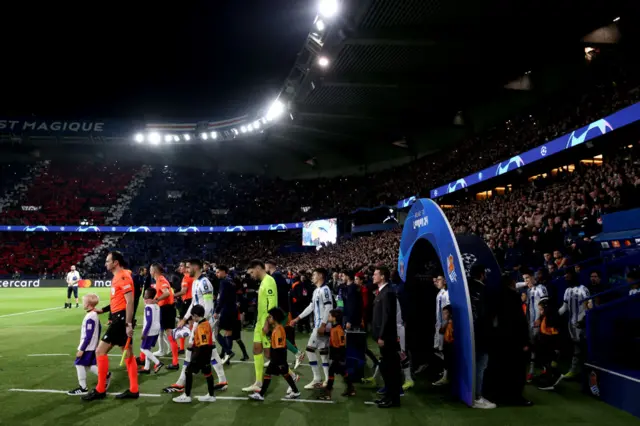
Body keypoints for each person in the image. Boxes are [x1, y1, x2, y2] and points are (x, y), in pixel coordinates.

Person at [164, 259, 228, 393]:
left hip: (204, 325)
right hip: (200, 323)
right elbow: (194, 303)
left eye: (188, 267)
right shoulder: (196, 282)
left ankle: (181, 383)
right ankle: (222, 381)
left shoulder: (205, 283)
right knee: (212, 353)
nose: (186, 270)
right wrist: (185, 318)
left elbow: (209, 306)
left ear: (195, 267)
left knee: (190, 351)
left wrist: (202, 323)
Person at [83, 251, 139, 401]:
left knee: (100, 351)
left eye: (108, 261)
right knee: (128, 355)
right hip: (118, 317)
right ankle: (134, 389)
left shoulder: (123, 276)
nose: (105, 263)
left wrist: (128, 323)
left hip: (121, 320)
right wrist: (104, 310)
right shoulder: (118, 277)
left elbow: (130, 302)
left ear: (115, 262)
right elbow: (118, 301)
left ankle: (100, 389)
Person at [290, 268, 333, 389]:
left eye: (314, 275)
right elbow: (311, 307)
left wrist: (323, 325)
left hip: (321, 325)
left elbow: (329, 306)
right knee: (324, 353)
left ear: (320, 276)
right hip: (321, 325)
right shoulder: (316, 291)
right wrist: (297, 318)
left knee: (309, 350)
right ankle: (326, 380)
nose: (312, 277)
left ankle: (317, 379)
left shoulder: (325, 289)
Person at [248, 308, 301, 401]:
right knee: (285, 374)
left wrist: (278, 361)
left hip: (278, 358)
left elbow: (279, 347)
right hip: (279, 358)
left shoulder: (278, 330)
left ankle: (261, 394)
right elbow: (268, 333)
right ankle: (295, 391)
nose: (269, 318)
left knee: (269, 374)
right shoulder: (277, 328)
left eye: (270, 317)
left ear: (275, 318)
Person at [242, 260, 279, 393]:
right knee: (256, 349)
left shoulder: (269, 281)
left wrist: (268, 323)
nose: (251, 275)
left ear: (258, 268)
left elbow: (272, 304)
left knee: (270, 355)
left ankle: (291, 375)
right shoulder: (263, 282)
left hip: (266, 323)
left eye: (252, 272)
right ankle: (258, 382)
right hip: (260, 322)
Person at [172, 304, 217, 403]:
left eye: (192, 316)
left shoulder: (201, 326)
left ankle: (187, 396)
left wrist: (195, 355)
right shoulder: (206, 323)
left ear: (196, 315)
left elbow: (203, 343)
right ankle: (211, 395)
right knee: (208, 373)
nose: (192, 318)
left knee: (188, 371)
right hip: (207, 352)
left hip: (202, 353)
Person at [370, 266, 401, 408]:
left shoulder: (387, 293)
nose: (373, 276)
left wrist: (381, 335)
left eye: (375, 274)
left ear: (382, 276)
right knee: (386, 368)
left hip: (387, 338)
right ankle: (388, 396)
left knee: (390, 369)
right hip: (383, 337)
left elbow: (387, 317)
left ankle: (392, 399)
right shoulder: (383, 292)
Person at [265, 260, 305, 369]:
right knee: (274, 334)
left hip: (280, 311)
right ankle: (274, 359)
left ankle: (297, 353)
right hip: (282, 310)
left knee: (277, 334)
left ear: (269, 265)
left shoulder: (275, 276)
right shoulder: (278, 276)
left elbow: (275, 294)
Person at [468, 263, 496, 409]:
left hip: (467, 333)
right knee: (481, 364)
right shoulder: (483, 290)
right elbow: (486, 316)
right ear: (482, 275)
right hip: (481, 334)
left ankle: (470, 394)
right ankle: (477, 396)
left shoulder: (466, 289)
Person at [67, 293, 105, 395]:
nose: (82, 303)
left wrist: (82, 349)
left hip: (88, 347)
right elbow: (99, 328)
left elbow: (88, 336)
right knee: (89, 365)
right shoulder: (94, 315)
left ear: (88, 304)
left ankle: (83, 388)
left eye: (83, 302)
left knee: (79, 364)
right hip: (92, 346)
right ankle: (106, 375)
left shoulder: (90, 317)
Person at [516, 269, 548, 382]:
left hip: (539, 322)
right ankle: (531, 371)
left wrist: (540, 318)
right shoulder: (528, 290)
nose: (526, 281)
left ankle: (546, 370)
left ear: (533, 277)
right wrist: (525, 283)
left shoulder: (541, 288)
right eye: (524, 279)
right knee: (533, 347)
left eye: (528, 278)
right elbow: (514, 285)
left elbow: (545, 305)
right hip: (530, 322)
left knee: (541, 346)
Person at [558, 269, 590, 379]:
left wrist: (584, 319)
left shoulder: (583, 289)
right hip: (571, 323)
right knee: (576, 348)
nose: (566, 277)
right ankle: (574, 371)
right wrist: (555, 314)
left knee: (582, 347)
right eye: (565, 275)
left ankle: (583, 372)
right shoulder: (567, 290)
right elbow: (564, 307)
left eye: (568, 274)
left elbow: (588, 306)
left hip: (580, 323)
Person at [318, 309, 355, 400]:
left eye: (330, 316)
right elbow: (331, 334)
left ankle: (328, 393)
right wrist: (324, 333)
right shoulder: (334, 327)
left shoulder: (338, 329)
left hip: (338, 355)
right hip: (336, 354)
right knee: (343, 372)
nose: (328, 317)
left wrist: (339, 357)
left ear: (334, 318)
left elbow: (342, 344)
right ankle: (351, 389)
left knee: (331, 371)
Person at [151, 263, 179, 370]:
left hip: (166, 309)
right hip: (166, 309)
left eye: (150, 269)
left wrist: (156, 300)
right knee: (162, 332)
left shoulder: (161, 280)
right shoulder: (159, 280)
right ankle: (164, 351)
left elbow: (166, 293)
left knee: (169, 334)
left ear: (154, 270)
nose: (150, 271)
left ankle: (175, 362)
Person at [536, 299, 563, 391]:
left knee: (550, 364)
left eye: (541, 309)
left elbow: (555, 335)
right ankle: (549, 378)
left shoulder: (552, 318)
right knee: (546, 363)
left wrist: (556, 348)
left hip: (552, 345)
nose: (540, 312)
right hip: (545, 344)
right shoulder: (544, 317)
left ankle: (552, 380)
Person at [214, 265, 238, 363]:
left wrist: (217, 311)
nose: (216, 274)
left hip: (226, 310)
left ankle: (228, 352)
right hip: (233, 310)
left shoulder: (224, 282)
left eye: (218, 272)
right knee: (228, 333)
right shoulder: (231, 281)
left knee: (216, 332)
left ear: (224, 271)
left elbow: (222, 298)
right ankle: (226, 356)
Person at [138, 288, 164, 375]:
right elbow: (160, 318)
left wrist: (144, 333)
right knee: (148, 349)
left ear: (150, 298)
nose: (144, 299)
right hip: (156, 329)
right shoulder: (157, 306)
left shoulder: (148, 307)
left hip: (150, 330)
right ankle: (146, 368)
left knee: (143, 348)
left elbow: (149, 321)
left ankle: (158, 363)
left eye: (146, 297)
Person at [432, 275, 450, 386]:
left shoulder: (446, 294)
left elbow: (447, 311)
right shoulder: (440, 293)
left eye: (438, 279)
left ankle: (446, 375)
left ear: (444, 281)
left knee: (444, 351)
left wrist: (445, 325)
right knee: (438, 349)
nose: (436, 282)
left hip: (444, 327)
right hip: (439, 326)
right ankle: (445, 372)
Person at [174, 261, 193, 353]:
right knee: (191, 324)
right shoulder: (192, 277)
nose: (179, 267)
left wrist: (172, 295)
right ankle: (193, 344)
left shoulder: (186, 278)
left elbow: (183, 291)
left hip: (187, 302)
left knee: (182, 324)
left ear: (186, 268)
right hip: (191, 301)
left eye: (181, 266)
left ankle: (182, 348)